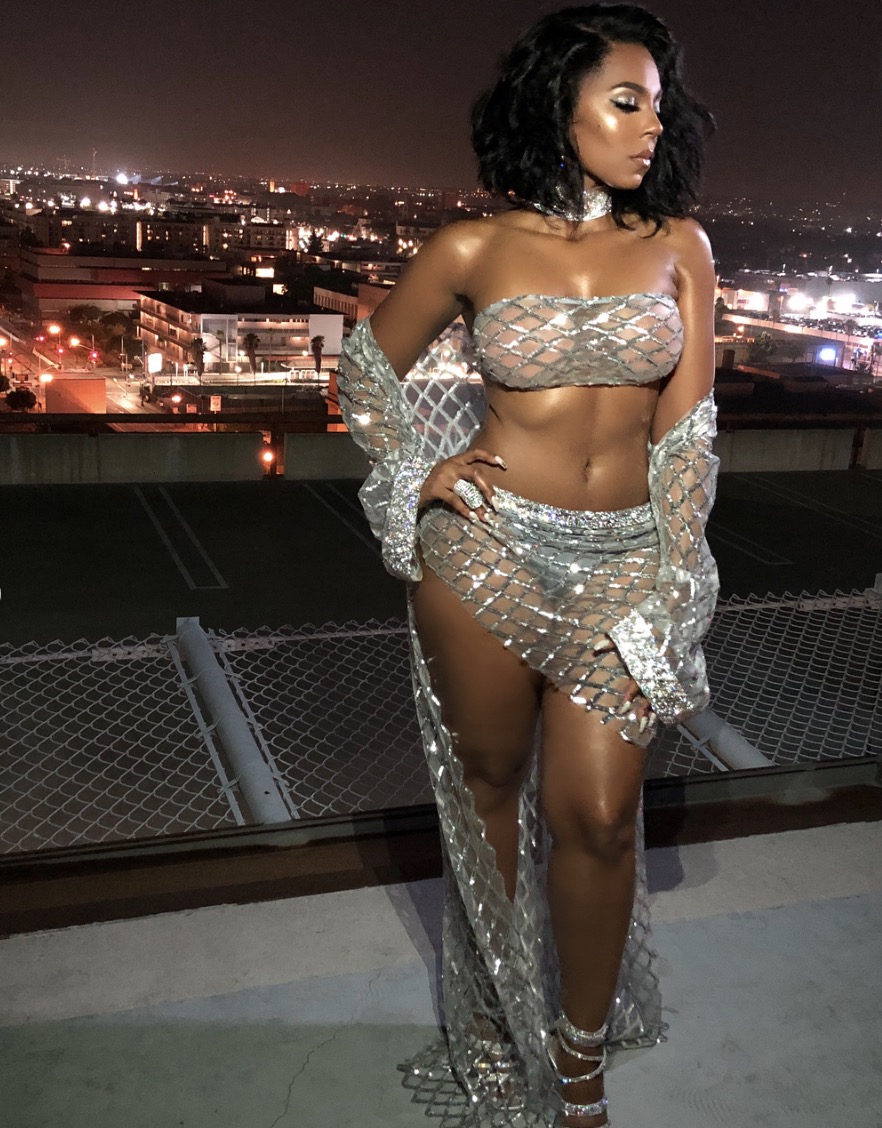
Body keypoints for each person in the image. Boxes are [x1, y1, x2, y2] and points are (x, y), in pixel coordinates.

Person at [337, 5, 718, 1125]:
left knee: (596, 815)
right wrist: (422, 474)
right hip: (486, 557)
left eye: (658, 106)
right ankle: (501, 1022)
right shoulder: (472, 248)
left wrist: (673, 577)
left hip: (625, 563)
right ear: (560, 105)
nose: (652, 126)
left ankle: (580, 1054)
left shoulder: (682, 247)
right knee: (488, 797)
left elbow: (688, 437)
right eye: (626, 101)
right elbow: (364, 373)